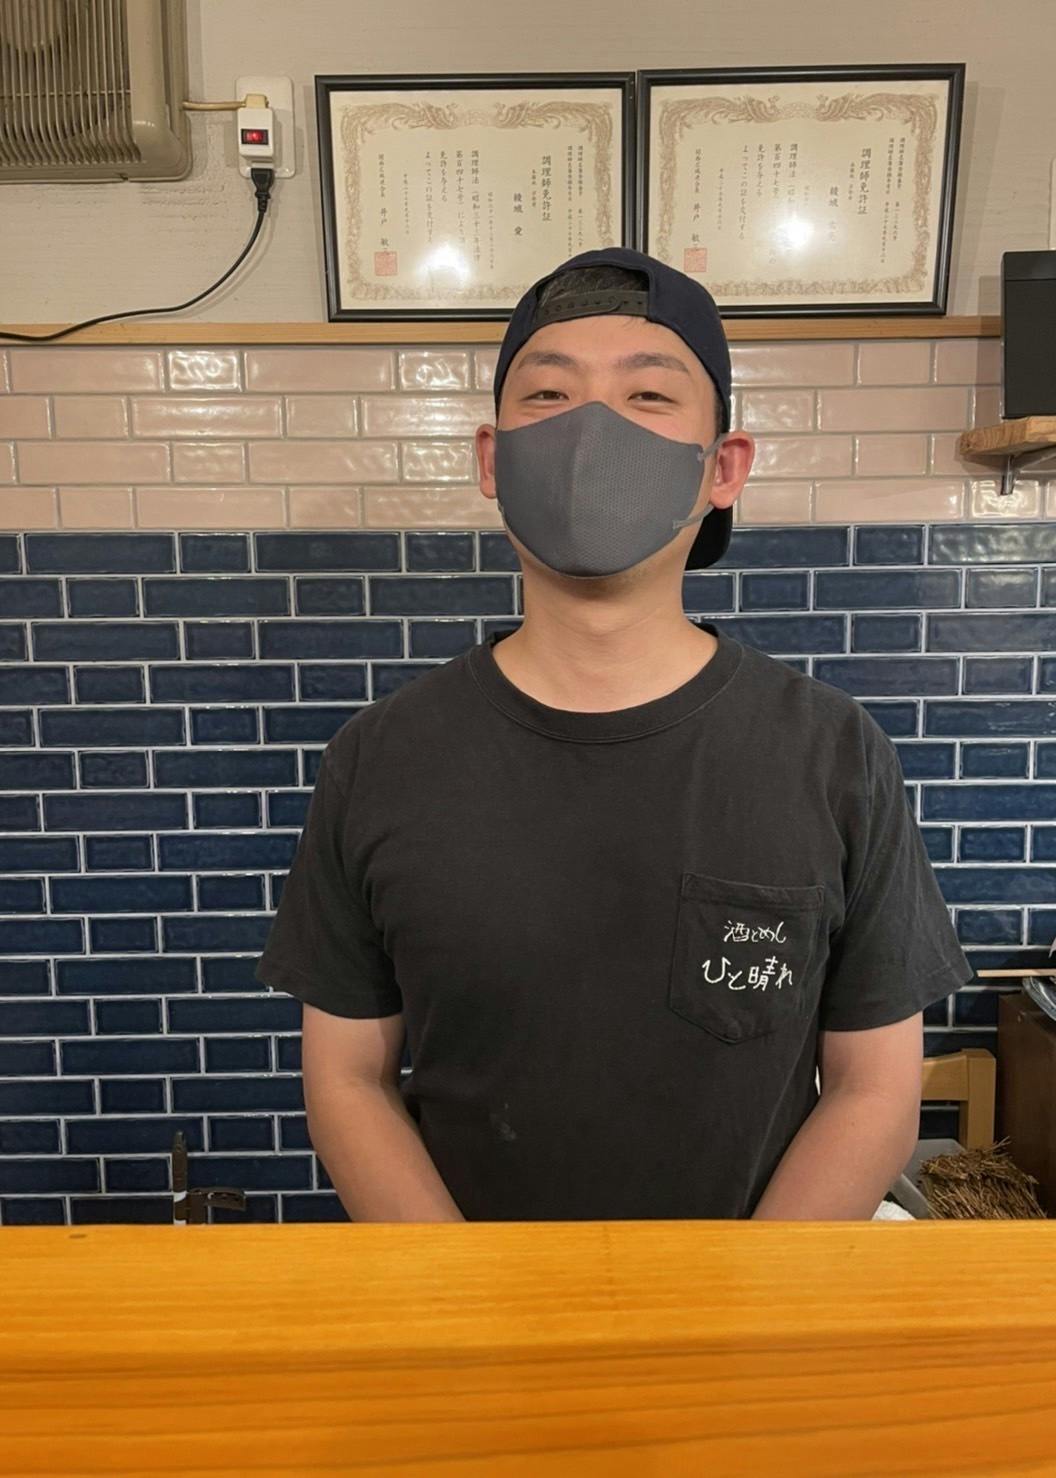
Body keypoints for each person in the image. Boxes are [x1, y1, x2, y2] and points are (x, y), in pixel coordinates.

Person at [254, 246, 975, 1223]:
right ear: (490, 459)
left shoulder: (832, 754)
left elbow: (874, 1089)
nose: (591, 429)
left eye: (648, 396)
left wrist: (745, 1298)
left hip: (752, 1301)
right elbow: (348, 1078)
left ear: (723, 468)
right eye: (549, 394)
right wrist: (463, 1291)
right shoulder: (380, 758)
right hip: (472, 1299)